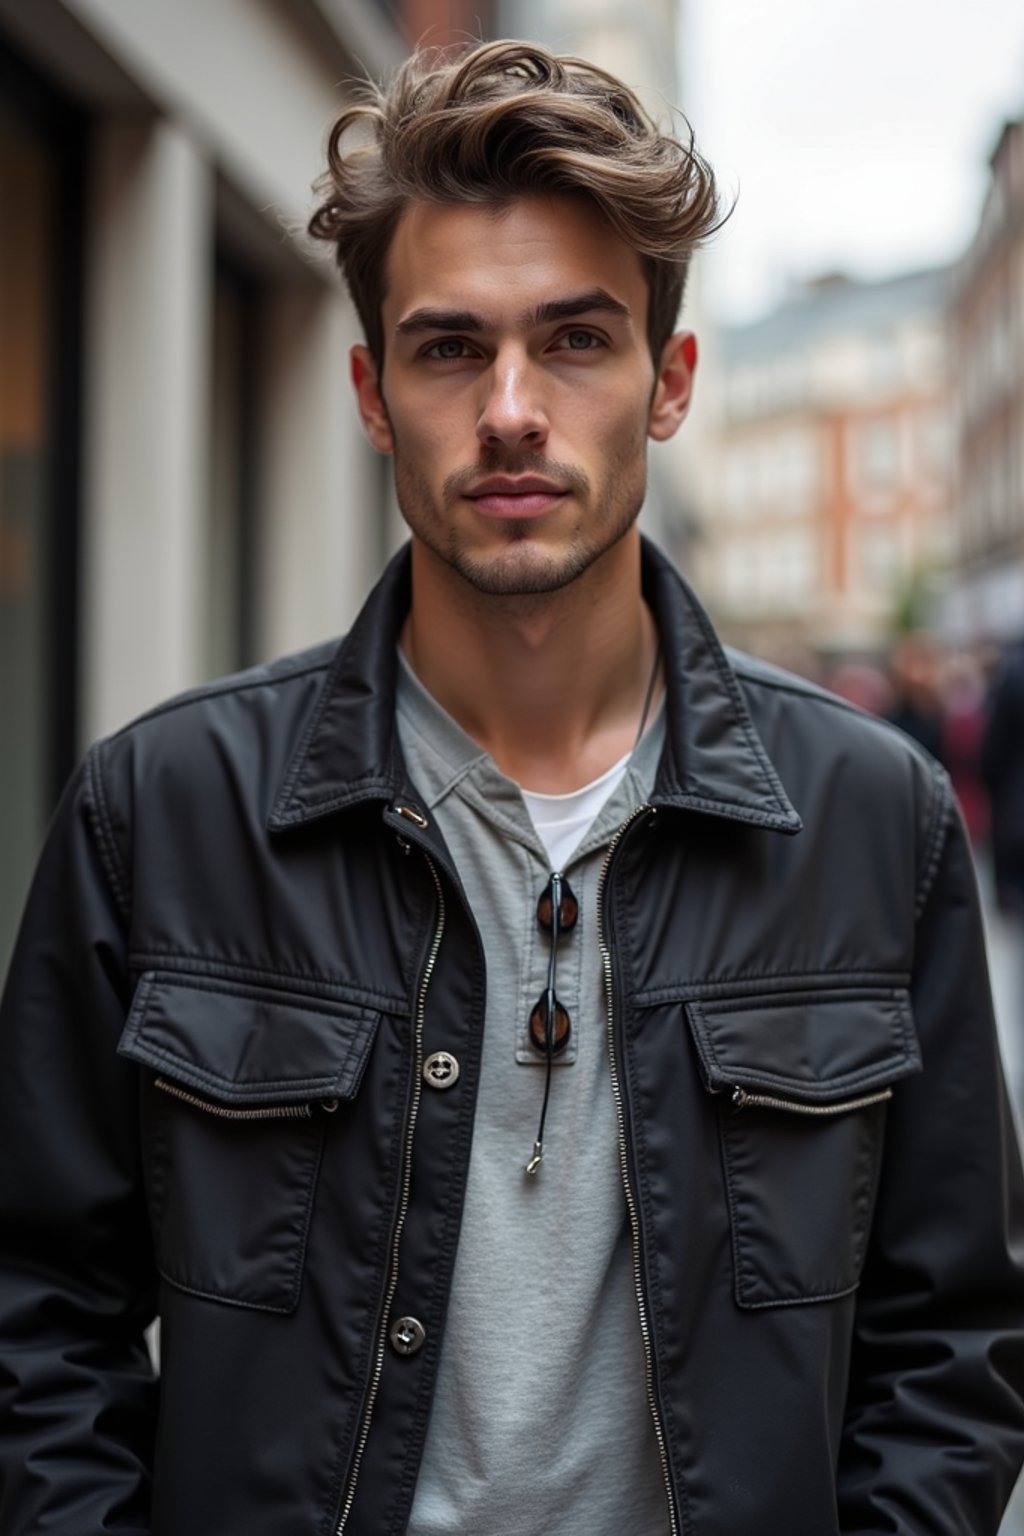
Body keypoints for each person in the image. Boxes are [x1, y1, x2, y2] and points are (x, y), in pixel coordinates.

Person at [1, 39, 1023, 1536]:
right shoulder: (160, 810)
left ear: (670, 382)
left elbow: (954, 1345)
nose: (513, 408)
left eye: (578, 340)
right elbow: (37, 1314)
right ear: (369, 391)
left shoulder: (872, 820)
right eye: (448, 347)